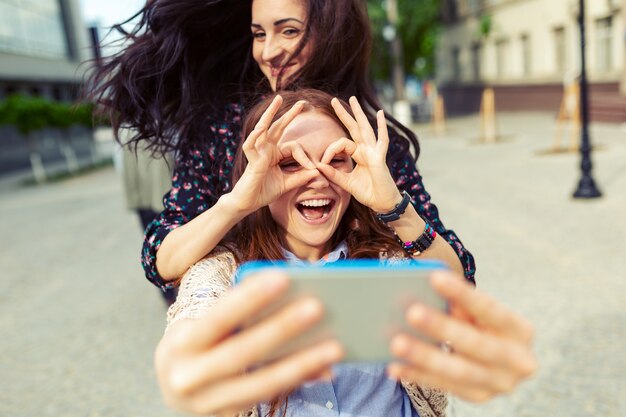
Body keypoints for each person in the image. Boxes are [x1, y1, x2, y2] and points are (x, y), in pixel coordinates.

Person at [156, 90, 536, 417]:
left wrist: (392, 203)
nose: (317, 176)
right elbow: (192, 320)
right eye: (290, 162)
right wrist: (239, 201)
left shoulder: (390, 256)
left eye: (335, 159)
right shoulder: (226, 269)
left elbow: (454, 286)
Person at [87, 0, 476, 292]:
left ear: (333, 31)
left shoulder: (372, 138)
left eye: (288, 31)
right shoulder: (222, 131)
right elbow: (160, 260)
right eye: (259, 34)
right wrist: (237, 204)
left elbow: (459, 278)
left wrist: (394, 209)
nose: (269, 52)